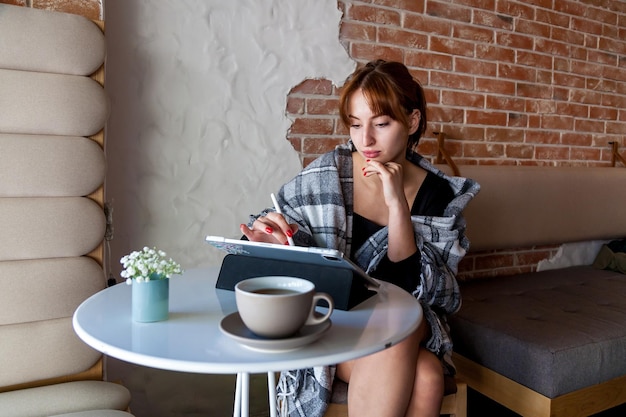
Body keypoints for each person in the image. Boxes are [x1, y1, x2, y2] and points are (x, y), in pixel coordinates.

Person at [240, 59, 480, 417]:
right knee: (427, 375)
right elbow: (284, 235)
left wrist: (396, 202)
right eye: (355, 125)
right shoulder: (329, 175)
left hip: (407, 320)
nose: (365, 139)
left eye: (381, 124)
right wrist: (274, 238)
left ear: (412, 121)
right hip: (336, 322)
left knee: (402, 318)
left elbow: (413, 287)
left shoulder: (437, 193)